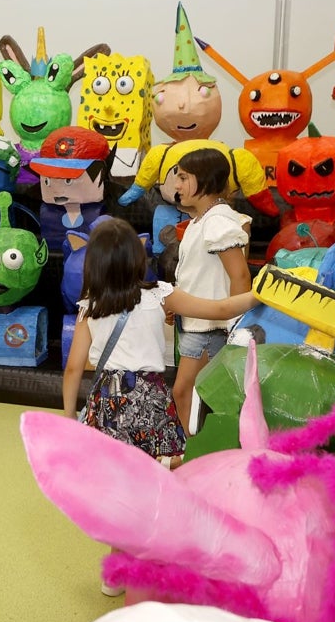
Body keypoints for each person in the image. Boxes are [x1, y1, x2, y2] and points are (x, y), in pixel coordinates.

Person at [62, 217, 256, 595]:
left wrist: (69, 416)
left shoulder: (89, 307)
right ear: (138, 259)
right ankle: (157, 553)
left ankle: (116, 569)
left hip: (109, 402)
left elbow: (73, 367)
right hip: (149, 399)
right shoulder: (159, 295)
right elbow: (219, 309)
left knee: (120, 487)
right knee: (162, 478)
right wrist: (261, 295)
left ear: (94, 264)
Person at [169, 148, 251, 429]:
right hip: (196, 323)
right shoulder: (201, 219)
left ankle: (190, 453)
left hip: (210, 327)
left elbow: (240, 275)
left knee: (188, 392)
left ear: (204, 180)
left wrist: (236, 328)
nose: (176, 185)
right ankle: (190, 451)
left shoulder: (217, 220)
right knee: (193, 393)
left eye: (183, 177)